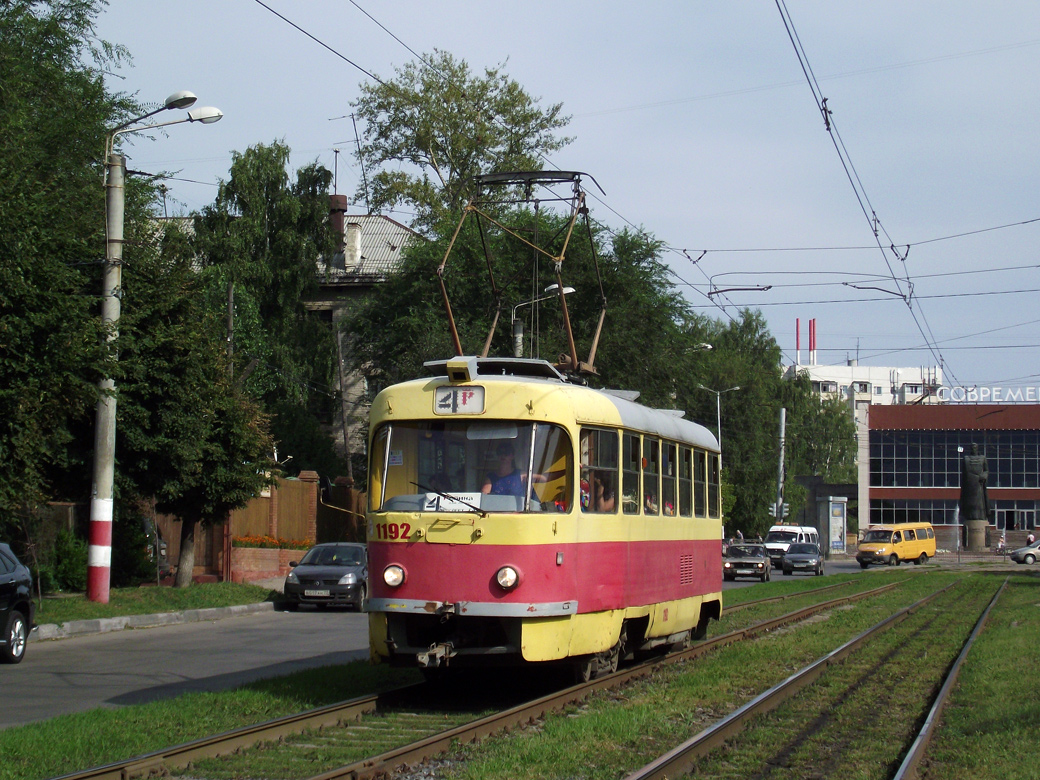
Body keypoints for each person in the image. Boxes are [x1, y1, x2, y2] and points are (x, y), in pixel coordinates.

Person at [482, 442, 548, 497]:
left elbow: (544, 478)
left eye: (507, 453)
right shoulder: (491, 477)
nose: (503, 456)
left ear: (512, 456)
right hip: (495, 512)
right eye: (500, 453)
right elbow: (484, 497)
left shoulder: (521, 475)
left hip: (516, 512)